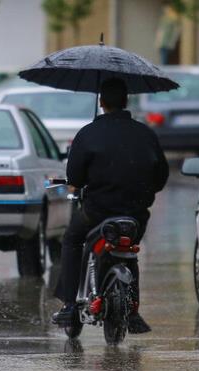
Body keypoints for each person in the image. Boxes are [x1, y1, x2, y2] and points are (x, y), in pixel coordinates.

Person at [52, 78, 169, 333]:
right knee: (131, 253)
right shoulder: (146, 134)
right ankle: (133, 311)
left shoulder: (88, 133)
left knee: (72, 239)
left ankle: (70, 305)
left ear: (101, 102)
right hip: (136, 216)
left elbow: (74, 178)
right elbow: (161, 177)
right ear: (126, 101)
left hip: (97, 213)